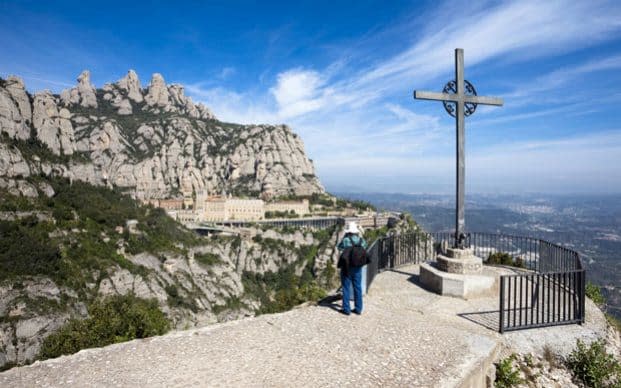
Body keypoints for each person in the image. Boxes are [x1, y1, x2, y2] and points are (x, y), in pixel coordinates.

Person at [336, 221, 368, 315]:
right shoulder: (361, 240)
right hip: (358, 267)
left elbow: (339, 247)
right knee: (357, 287)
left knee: (346, 287)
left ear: (349, 231)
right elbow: (365, 247)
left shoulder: (346, 240)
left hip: (346, 266)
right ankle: (358, 309)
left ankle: (346, 309)